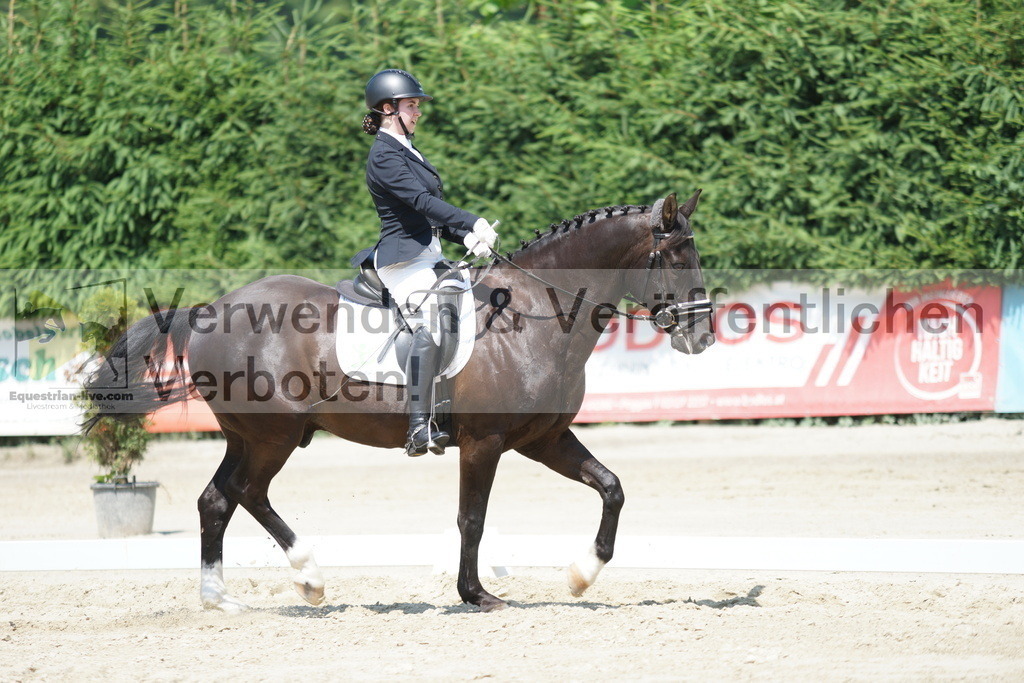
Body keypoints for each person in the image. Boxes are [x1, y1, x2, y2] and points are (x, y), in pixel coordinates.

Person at [352, 68, 498, 457]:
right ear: (388, 109)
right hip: (402, 262)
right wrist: (472, 221)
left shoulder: (408, 150)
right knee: (429, 325)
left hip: (428, 255)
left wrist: (464, 237)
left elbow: (426, 217)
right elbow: (421, 202)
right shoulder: (384, 155)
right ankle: (418, 426)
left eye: (417, 105)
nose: (418, 112)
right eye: (412, 105)